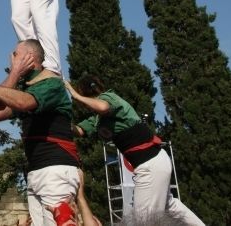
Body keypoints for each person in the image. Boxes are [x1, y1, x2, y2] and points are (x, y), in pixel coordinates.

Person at [0, 39, 80, 226]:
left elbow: (24, 102)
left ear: (30, 57)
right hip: (36, 172)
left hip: (56, 170)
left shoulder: (52, 84)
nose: (11, 58)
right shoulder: (27, 91)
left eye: (16, 55)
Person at [65, 76, 204, 226]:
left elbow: (103, 106)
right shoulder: (98, 119)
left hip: (150, 164)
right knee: (169, 205)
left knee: (142, 220)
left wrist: (75, 95)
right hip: (155, 161)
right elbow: (79, 130)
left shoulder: (109, 97)